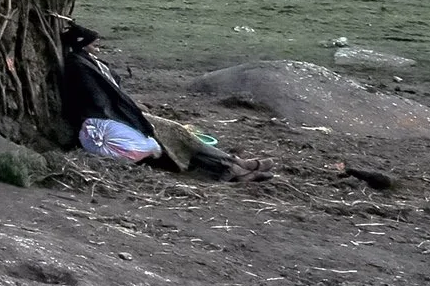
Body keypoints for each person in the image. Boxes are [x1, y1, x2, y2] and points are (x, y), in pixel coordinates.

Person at [60, 20, 273, 183]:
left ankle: (233, 164)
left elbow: (112, 92)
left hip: (122, 113)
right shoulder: (79, 66)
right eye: (94, 43)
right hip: (112, 119)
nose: (98, 47)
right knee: (175, 134)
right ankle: (231, 167)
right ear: (84, 44)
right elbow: (99, 99)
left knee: (180, 135)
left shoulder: (90, 62)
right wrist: (131, 111)